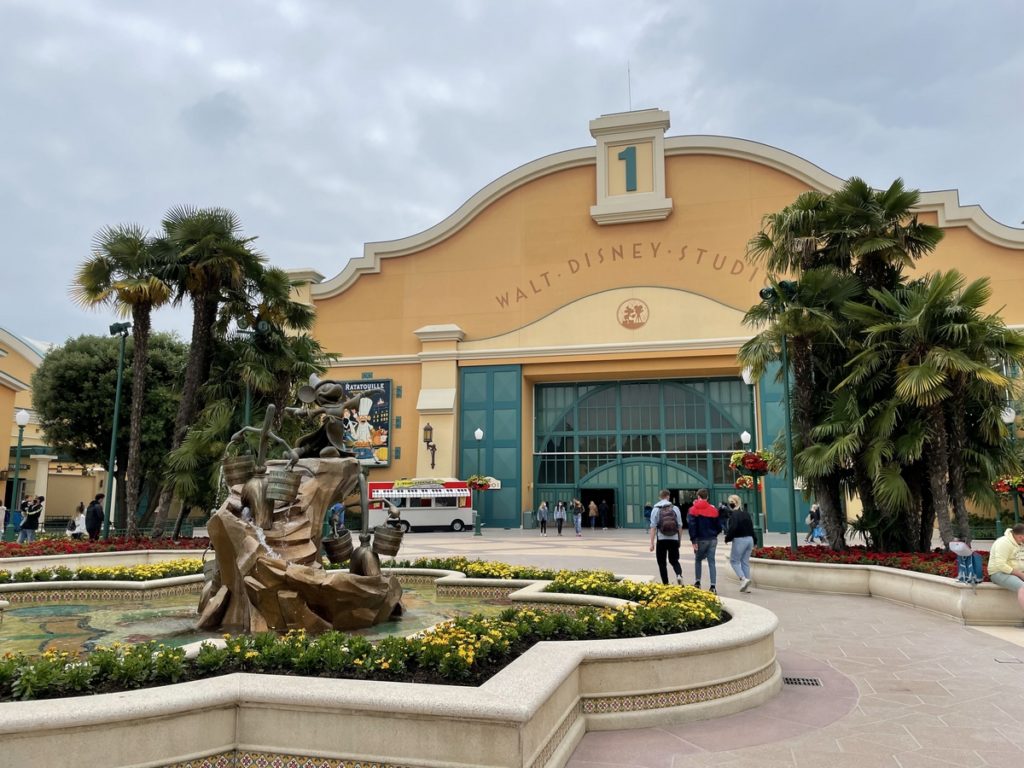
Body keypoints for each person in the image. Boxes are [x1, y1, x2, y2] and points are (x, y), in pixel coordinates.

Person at [687, 488, 722, 593]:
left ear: (698, 497)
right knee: (712, 562)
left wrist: (693, 541)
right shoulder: (714, 510)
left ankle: (697, 582)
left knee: (698, 560)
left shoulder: (693, 509)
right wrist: (714, 534)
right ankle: (713, 586)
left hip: (701, 539)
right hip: (712, 539)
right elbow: (719, 527)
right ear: (707, 497)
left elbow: (691, 526)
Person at [648, 489, 683, 585]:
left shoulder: (656, 509)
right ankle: (678, 574)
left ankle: (666, 584)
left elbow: (653, 527)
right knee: (674, 560)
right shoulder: (675, 508)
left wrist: (651, 543)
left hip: (661, 539)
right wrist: (679, 540)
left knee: (662, 563)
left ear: (660, 497)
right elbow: (680, 526)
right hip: (674, 538)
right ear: (668, 496)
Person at [988, 524, 1024, 611]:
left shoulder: (1020, 543)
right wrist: (1021, 575)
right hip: (998, 573)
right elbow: (1001, 565)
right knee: (1022, 587)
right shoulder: (1003, 543)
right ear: (1021, 537)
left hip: (1017, 572)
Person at [723, 494, 755, 592]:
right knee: (745, 562)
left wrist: (727, 538)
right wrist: (755, 540)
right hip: (750, 539)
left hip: (740, 540)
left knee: (734, 561)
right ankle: (746, 586)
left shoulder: (734, 515)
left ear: (733, 503)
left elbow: (733, 528)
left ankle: (743, 579)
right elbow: (751, 527)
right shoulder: (746, 513)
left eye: (730, 503)